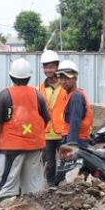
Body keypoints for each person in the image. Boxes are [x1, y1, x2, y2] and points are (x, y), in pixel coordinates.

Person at [0, 57, 52, 200]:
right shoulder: (38, 95)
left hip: (11, 148)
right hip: (35, 147)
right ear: (29, 77)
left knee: (6, 186)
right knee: (33, 185)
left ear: (11, 76)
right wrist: (34, 135)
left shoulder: (4, 95)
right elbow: (47, 119)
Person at [39, 49, 64, 185]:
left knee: (66, 164)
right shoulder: (39, 89)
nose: (48, 70)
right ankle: (51, 189)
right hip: (46, 134)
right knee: (49, 166)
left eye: (51, 67)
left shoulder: (65, 87)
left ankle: (63, 190)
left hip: (62, 133)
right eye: (46, 67)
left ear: (57, 67)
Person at [54, 60, 92, 144]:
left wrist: (71, 146)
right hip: (76, 140)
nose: (63, 81)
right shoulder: (72, 95)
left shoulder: (76, 97)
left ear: (75, 78)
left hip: (76, 141)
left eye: (67, 78)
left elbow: (74, 125)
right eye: (61, 78)